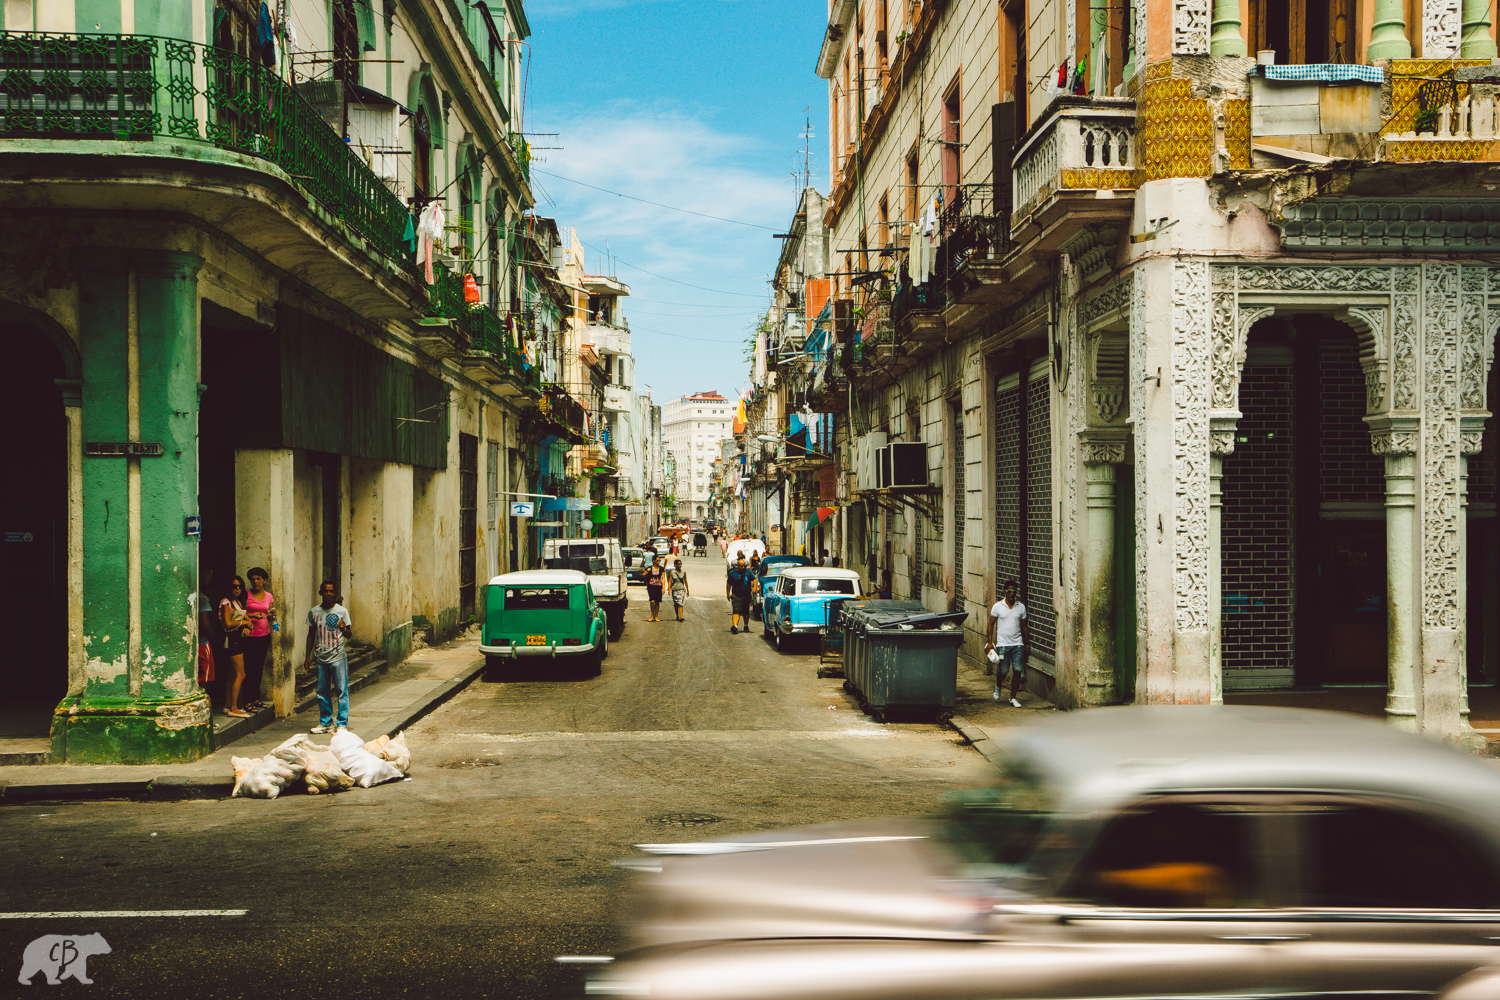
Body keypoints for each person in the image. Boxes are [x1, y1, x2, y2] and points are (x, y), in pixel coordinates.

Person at [303, 580, 352, 734]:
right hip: (320, 658)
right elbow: (311, 635)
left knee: (341, 690)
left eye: (331, 591)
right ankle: (326, 723)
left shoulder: (342, 611)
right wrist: (308, 657)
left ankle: (342, 723)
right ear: (321, 593)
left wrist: (344, 629)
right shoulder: (314, 612)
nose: (329, 594)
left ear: (335, 593)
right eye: (326, 591)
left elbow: (349, 634)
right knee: (322, 691)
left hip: (338, 656)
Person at [985, 579, 1029, 707]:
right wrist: (989, 642)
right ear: (1004, 591)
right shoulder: (997, 606)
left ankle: (1013, 698)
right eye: (1009, 591)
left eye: (1014, 591)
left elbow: (1025, 627)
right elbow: (991, 624)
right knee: (1003, 671)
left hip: (1018, 645)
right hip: (1003, 645)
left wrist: (1027, 644)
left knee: (1017, 671)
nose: (1011, 594)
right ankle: (998, 685)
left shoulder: (1021, 607)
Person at [241, 567, 276, 712]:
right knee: (249, 668)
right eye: (253, 579)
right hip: (249, 636)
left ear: (265, 580)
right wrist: (252, 617)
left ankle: (256, 698)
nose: (256, 582)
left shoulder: (268, 596)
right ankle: (247, 700)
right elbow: (240, 613)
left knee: (259, 668)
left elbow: (272, 613)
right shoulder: (246, 595)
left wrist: (272, 616)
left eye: (259, 579)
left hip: (264, 635)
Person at [218, 576, 251, 717]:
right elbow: (228, 623)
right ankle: (234, 708)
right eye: (234, 586)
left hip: (237, 638)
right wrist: (244, 624)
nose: (237, 589)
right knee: (240, 674)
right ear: (229, 587)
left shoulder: (237, 602)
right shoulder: (225, 603)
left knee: (232, 675)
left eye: (240, 586)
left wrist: (247, 625)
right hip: (231, 639)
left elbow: (247, 619)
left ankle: (228, 705)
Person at [726, 554, 754, 634]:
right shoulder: (732, 573)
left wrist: (755, 587)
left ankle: (746, 625)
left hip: (746, 596)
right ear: (738, 566)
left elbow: (754, 579)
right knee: (736, 611)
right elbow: (728, 584)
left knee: (746, 612)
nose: (743, 567)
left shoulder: (749, 572)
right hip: (736, 595)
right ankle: (735, 626)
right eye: (742, 566)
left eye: (744, 566)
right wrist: (728, 593)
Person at [643, 555, 666, 622]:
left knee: (657, 601)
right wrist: (647, 570)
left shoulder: (661, 569)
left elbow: (663, 578)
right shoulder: (650, 568)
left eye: (659, 560)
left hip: (658, 586)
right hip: (651, 586)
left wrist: (663, 587)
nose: (658, 562)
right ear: (653, 561)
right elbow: (643, 575)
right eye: (657, 560)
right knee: (652, 600)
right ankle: (652, 614)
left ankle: (656, 616)